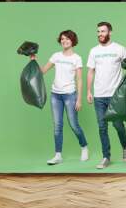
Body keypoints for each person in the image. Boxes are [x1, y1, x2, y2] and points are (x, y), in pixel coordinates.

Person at [31, 30, 88, 165]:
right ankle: (58, 155)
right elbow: (42, 71)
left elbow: (79, 80)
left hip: (70, 95)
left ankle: (84, 146)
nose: (64, 41)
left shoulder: (77, 58)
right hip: (55, 95)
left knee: (74, 124)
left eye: (67, 39)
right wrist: (34, 61)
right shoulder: (56, 56)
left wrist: (79, 99)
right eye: (62, 39)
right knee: (57, 126)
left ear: (72, 41)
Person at [86, 22, 126, 169]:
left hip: (115, 95)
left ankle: (125, 147)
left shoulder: (120, 49)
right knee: (102, 127)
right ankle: (106, 157)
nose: (100, 34)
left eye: (103, 31)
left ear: (110, 32)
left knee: (118, 124)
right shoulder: (94, 51)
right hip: (99, 95)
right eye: (98, 31)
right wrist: (88, 91)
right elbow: (91, 71)